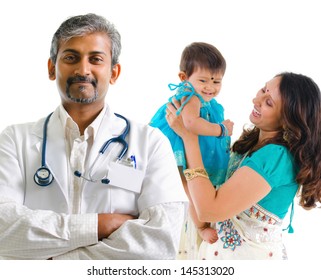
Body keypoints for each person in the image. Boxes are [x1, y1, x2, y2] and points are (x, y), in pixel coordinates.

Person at [0, 13, 188, 260]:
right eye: (71, 57)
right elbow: (3, 231)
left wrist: (46, 263)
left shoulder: (150, 144)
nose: (83, 69)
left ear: (114, 72)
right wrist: (98, 225)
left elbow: (159, 245)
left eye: (96, 59)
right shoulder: (15, 140)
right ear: (51, 68)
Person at [166, 72, 321, 259]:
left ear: (288, 120)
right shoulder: (252, 143)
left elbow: (209, 210)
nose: (256, 100)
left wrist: (189, 138)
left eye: (269, 102)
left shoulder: (276, 156)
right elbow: (205, 199)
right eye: (264, 90)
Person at [150, 42, 233, 259]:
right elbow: (190, 124)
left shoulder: (207, 102)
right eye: (203, 80)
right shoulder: (190, 96)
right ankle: (200, 227)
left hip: (188, 147)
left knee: (192, 185)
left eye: (217, 81)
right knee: (187, 186)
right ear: (184, 77)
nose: (210, 87)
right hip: (176, 148)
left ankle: (202, 222)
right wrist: (220, 129)